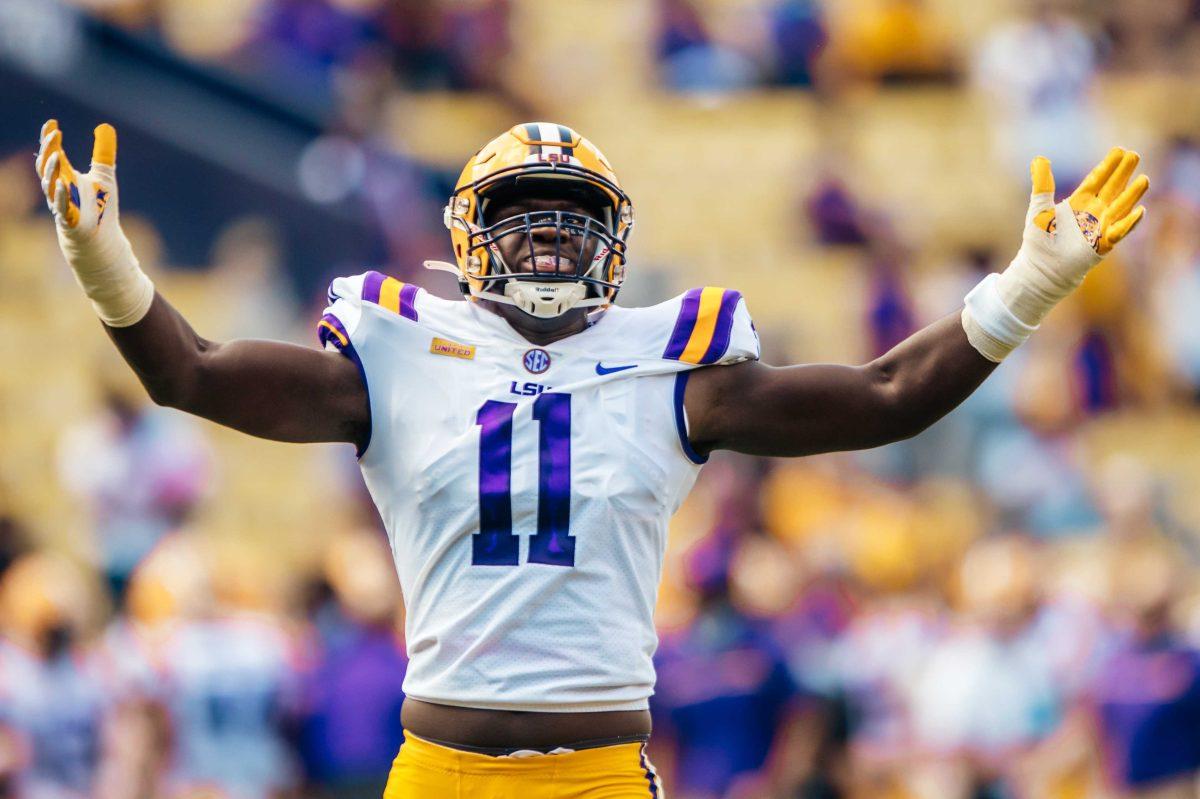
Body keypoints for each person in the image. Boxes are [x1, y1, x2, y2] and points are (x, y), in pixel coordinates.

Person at [32, 118, 1147, 798]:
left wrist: (1027, 286)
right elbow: (191, 373)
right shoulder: (396, 347)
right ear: (469, 234)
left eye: (572, 215)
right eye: (527, 214)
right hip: (437, 774)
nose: (553, 236)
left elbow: (889, 396)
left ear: (613, 235)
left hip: (598, 776)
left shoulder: (677, 363)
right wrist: (104, 262)